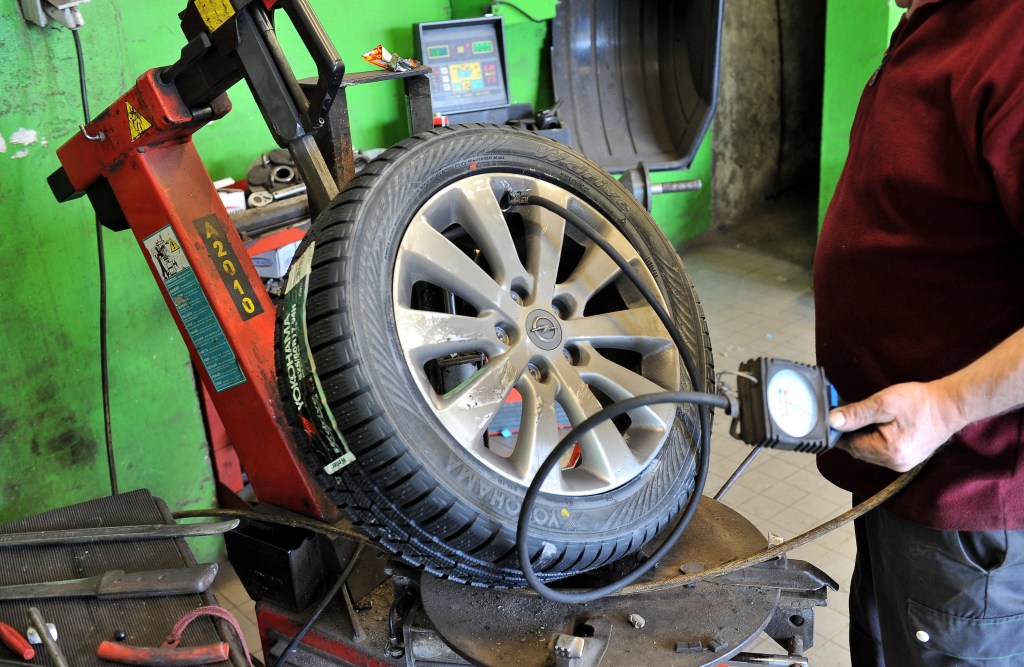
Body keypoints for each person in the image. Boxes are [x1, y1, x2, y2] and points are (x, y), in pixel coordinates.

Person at [813, 0, 1024, 664]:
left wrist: (947, 405)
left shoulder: (1013, 40)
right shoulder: (935, 19)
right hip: (899, 476)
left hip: (968, 504)